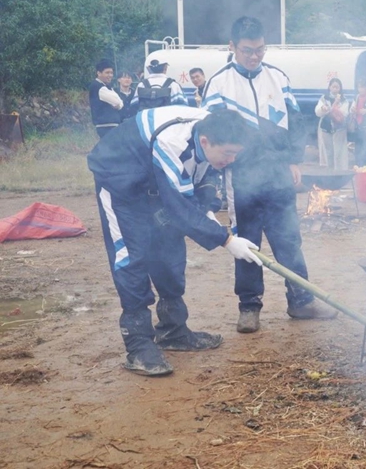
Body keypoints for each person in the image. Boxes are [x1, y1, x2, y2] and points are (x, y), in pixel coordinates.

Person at [87, 106, 262, 376]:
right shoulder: (172, 142)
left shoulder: (211, 131)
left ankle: (173, 331)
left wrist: (207, 208)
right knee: (132, 256)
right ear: (205, 142)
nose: (232, 159)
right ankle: (139, 346)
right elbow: (179, 207)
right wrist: (226, 239)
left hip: (154, 182)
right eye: (228, 153)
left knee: (169, 249)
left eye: (236, 153)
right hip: (120, 179)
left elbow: (202, 181)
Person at [202, 16, 337, 333]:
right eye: (248, 50)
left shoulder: (278, 78)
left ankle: (301, 300)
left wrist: (293, 159)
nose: (254, 56)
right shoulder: (219, 84)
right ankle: (249, 306)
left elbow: (296, 121)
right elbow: (210, 130)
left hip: (278, 174)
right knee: (247, 244)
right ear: (232, 47)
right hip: (242, 176)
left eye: (260, 50)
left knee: (289, 239)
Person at [314, 78, 350, 170]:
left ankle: (339, 173)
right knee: (328, 153)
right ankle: (328, 173)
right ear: (329, 87)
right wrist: (323, 109)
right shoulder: (324, 98)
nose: (335, 89)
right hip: (326, 129)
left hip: (339, 130)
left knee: (339, 153)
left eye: (337, 87)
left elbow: (344, 113)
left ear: (340, 89)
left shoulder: (344, 100)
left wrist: (333, 108)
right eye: (333, 86)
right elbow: (317, 112)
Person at [89, 59, 123, 138]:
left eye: (111, 73)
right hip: (106, 126)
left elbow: (120, 103)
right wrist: (119, 104)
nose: (110, 75)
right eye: (107, 72)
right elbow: (117, 101)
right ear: (99, 73)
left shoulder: (106, 86)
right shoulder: (98, 87)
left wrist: (119, 104)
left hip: (109, 125)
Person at [348, 79, 366, 166]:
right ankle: (359, 169)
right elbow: (351, 109)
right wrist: (352, 110)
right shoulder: (356, 97)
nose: (360, 89)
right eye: (359, 87)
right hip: (358, 128)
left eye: (362, 87)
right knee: (358, 151)